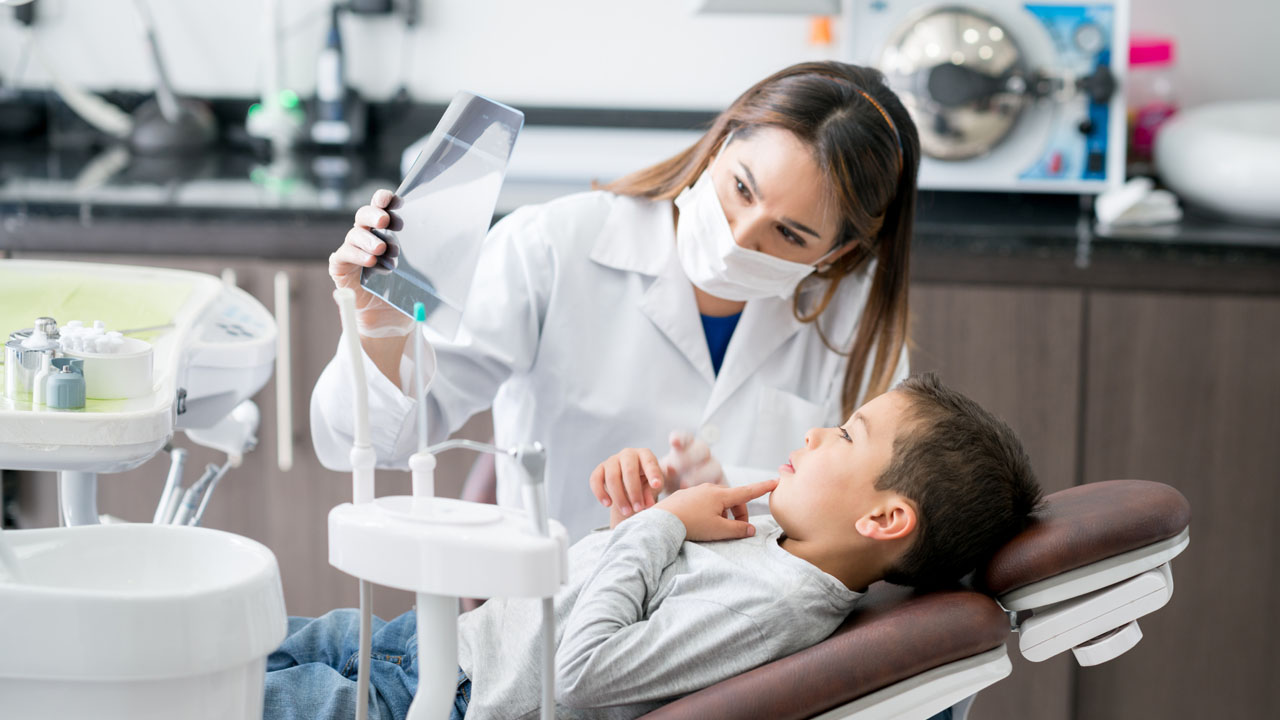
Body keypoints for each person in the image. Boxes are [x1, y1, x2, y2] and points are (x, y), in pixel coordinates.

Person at [311, 61, 921, 541]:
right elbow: (371, 445)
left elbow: (867, 527)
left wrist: (743, 500)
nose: (740, 237)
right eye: (741, 187)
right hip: (560, 620)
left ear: (838, 253)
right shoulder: (552, 246)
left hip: (747, 632)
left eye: (789, 234)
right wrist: (382, 330)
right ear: (721, 141)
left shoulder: (853, 324)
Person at [267, 373, 1043, 720]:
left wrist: (660, 524)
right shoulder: (778, 542)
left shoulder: (773, 606)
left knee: (202, 691)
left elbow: (580, 672)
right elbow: (621, 600)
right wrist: (633, 521)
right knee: (222, 639)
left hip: (440, 700)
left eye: (846, 435)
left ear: (884, 519)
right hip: (426, 647)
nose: (815, 433)